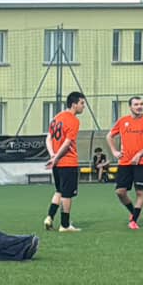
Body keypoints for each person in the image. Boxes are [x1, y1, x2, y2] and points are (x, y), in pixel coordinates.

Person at [109, 96, 143, 229]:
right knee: (120, 191)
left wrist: (139, 154)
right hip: (125, 162)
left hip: (142, 162)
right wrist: (114, 151)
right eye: (136, 104)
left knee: (140, 192)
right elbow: (109, 136)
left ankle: (134, 220)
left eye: (141, 104)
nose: (139, 107)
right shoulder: (123, 121)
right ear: (130, 107)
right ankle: (133, 212)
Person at [44, 92, 85, 232]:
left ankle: (49, 217)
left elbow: (48, 138)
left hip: (57, 164)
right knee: (67, 194)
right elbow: (67, 143)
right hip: (68, 162)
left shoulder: (56, 118)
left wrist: (53, 155)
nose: (83, 106)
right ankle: (65, 225)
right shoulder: (73, 120)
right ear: (74, 104)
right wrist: (56, 157)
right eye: (82, 103)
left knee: (59, 191)